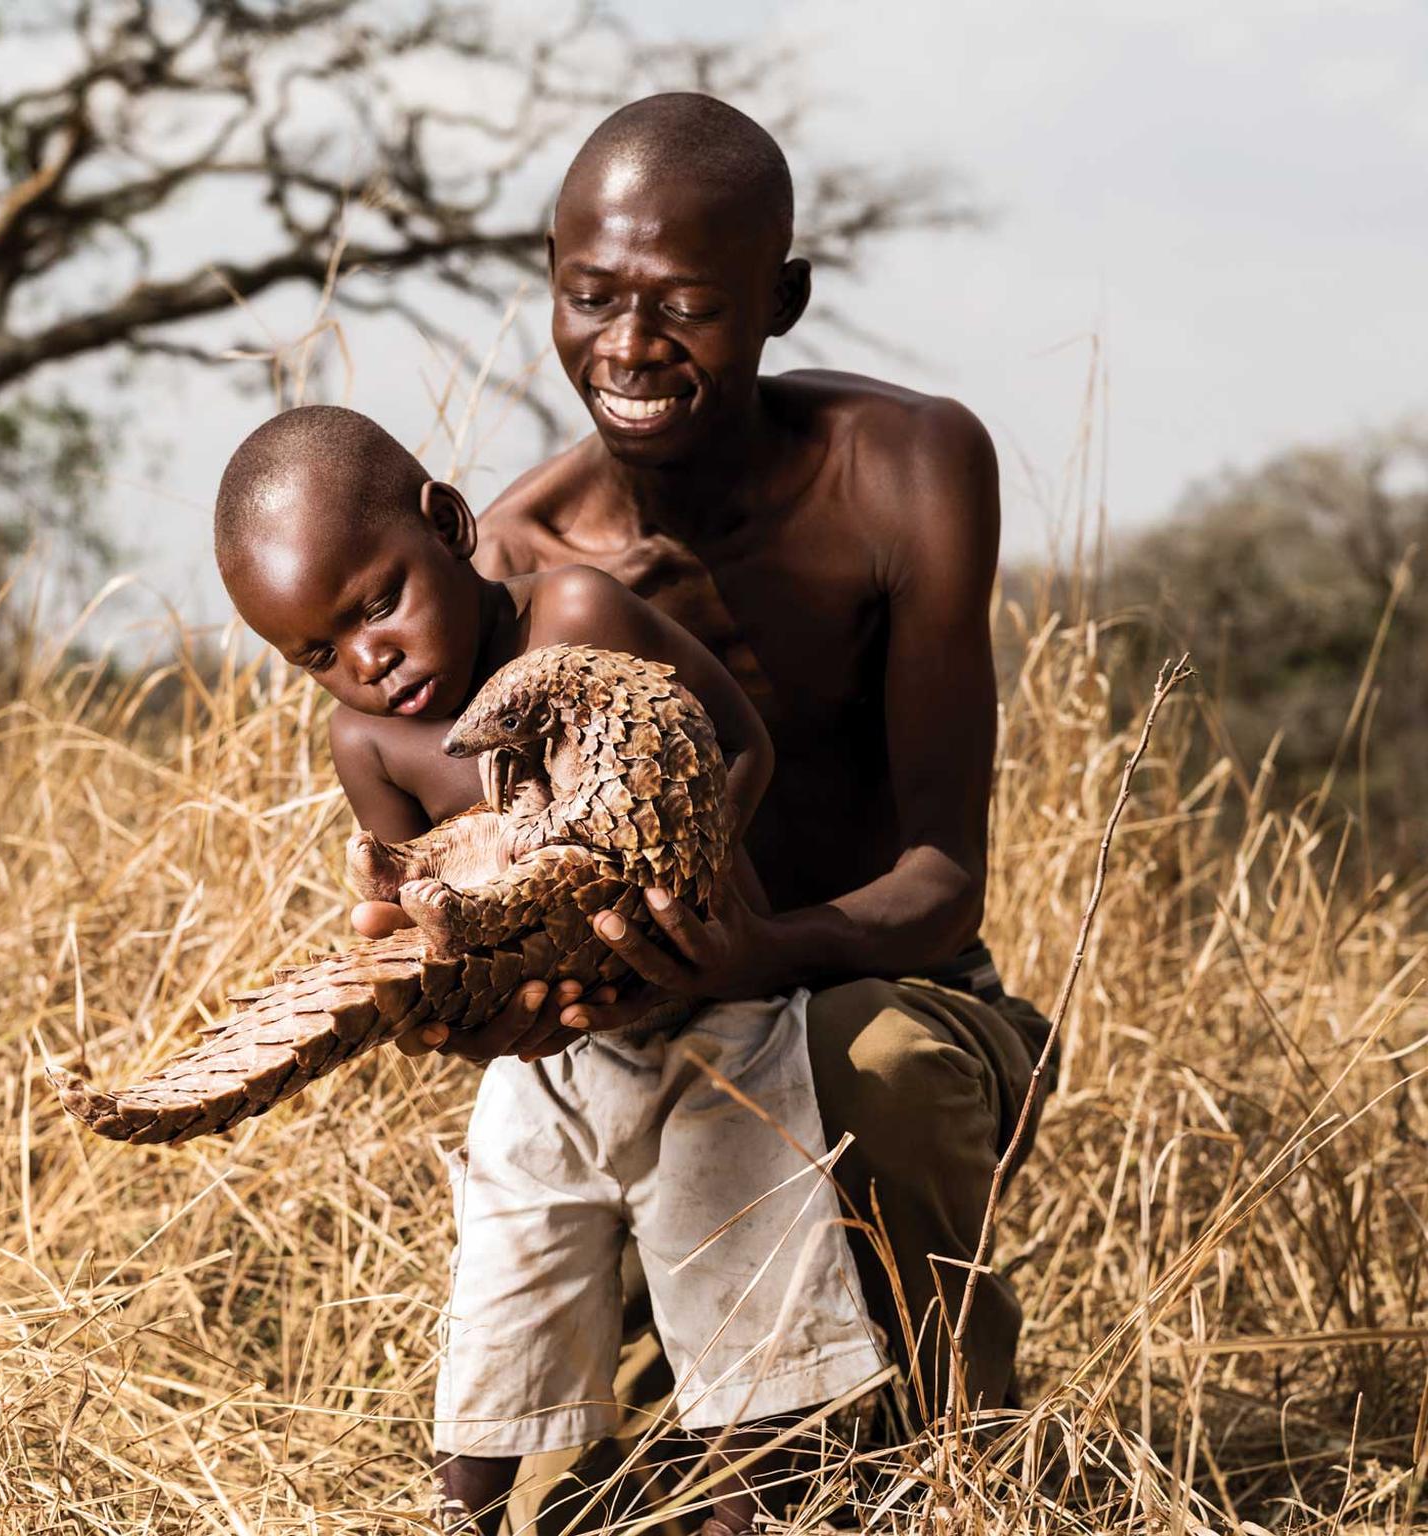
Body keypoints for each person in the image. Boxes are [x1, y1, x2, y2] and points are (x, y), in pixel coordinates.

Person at [356, 93, 1056, 1422]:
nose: (628, 345)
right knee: (596, 1498)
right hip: (658, 1048)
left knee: (874, 1068)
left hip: (892, 997)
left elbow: (942, 880)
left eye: (684, 303)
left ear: (782, 299)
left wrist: (756, 957)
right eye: (590, 295)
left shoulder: (905, 471)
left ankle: (946, 1434)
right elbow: (520, 895)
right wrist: (487, 999)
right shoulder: (507, 565)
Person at [213, 404, 887, 1536]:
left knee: (743, 1306)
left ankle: (747, 1509)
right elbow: (413, 912)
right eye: (320, 654)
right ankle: (461, 1518)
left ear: (448, 522)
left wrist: (679, 883)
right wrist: (440, 993)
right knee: (502, 1308)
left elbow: (742, 745)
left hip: (721, 1024)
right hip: (549, 1059)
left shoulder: (572, 615)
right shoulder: (367, 743)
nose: (369, 661)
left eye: (380, 603)